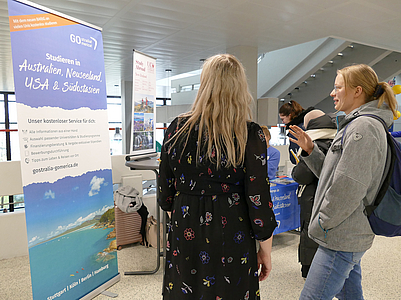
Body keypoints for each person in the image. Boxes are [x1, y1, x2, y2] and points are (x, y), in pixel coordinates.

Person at [158, 54, 277, 300]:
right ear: (240, 88)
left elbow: (165, 192)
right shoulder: (249, 133)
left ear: (204, 85)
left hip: (185, 223)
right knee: (230, 290)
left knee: (186, 289)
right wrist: (265, 250)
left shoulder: (176, 128)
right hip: (232, 226)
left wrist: (185, 211)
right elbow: (258, 198)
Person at [289, 64, 398, 299]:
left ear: (357, 91)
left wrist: (323, 222)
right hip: (348, 233)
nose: (332, 93)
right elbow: (334, 174)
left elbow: (349, 186)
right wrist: (310, 150)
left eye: (338, 87)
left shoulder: (363, 127)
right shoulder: (357, 123)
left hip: (340, 236)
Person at [291, 109, 336, 279]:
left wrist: (295, 169)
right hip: (330, 199)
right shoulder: (336, 140)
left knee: (310, 233)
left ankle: (310, 270)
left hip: (312, 198)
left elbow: (302, 175)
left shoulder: (315, 144)